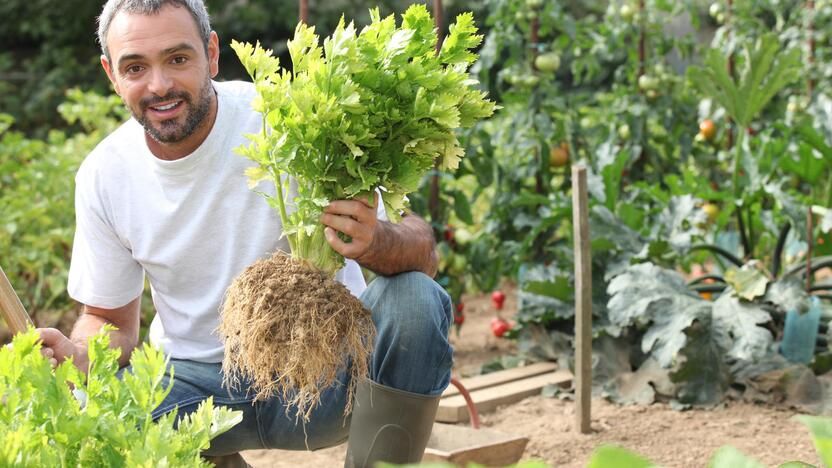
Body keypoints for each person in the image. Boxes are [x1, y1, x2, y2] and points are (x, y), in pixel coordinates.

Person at [35, 1, 453, 466]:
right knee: (106, 417)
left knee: (416, 298)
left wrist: (377, 241)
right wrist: (81, 355)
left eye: (178, 59)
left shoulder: (292, 120)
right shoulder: (105, 173)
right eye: (135, 67)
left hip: (329, 378)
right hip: (195, 392)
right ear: (112, 76)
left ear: (211, 54)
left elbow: (422, 247)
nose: (160, 85)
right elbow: (110, 321)